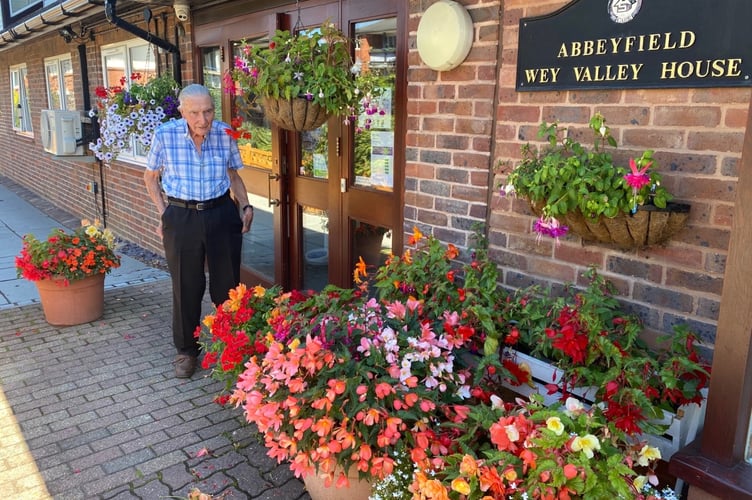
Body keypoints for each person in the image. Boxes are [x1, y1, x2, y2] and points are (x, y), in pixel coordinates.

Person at [144, 83, 254, 378]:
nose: (203, 119)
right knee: (186, 285)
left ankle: (232, 343)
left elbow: (233, 175)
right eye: (195, 112)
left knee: (228, 286)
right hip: (182, 216)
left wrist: (245, 206)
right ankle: (186, 351)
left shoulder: (224, 132)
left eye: (208, 110)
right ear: (182, 111)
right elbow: (150, 178)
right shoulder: (165, 135)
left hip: (220, 212)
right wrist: (165, 214)